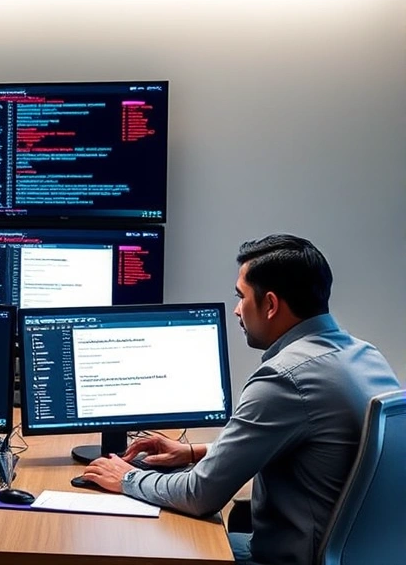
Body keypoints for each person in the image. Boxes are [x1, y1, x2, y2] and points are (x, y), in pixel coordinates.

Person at [81, 234, 400, 565]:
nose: (236, 309)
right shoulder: (364, 355)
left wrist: (128, 478)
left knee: (140, 548)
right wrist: (195, 451)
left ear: (271, 304)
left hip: (293, 558)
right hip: (358, 555)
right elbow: (319, 446)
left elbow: (200, 495)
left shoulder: (285, 378)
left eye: (241, 297)